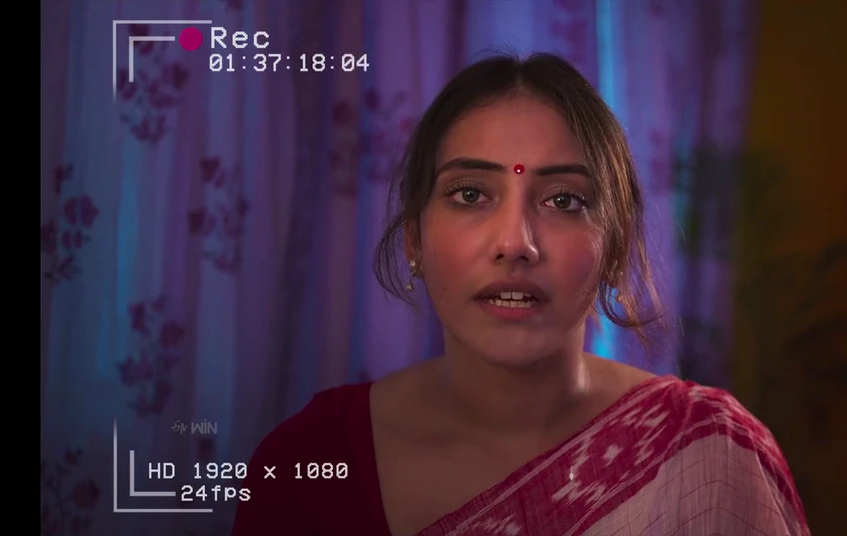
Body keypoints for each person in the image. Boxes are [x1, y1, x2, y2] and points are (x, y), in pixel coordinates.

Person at [232, 53, 810, 536]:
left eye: (563, 200)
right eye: (469, 194)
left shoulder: (707, 453)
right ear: (413, 239)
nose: (515, 243)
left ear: (614, 248)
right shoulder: (309, 460)